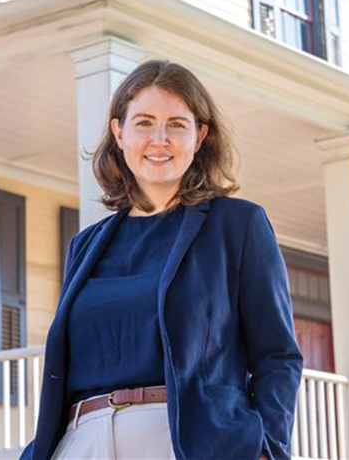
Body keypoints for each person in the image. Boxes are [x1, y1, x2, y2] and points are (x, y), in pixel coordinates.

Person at [20, 59, 303, 460]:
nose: (160, 139)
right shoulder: (86, 245)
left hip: (188, 441)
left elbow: (277, 355)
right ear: (118, 132)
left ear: (199, 136)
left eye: (176, 124)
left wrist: (266, 448)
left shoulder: (237, 226)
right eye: (144, 123)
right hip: (82, 439)